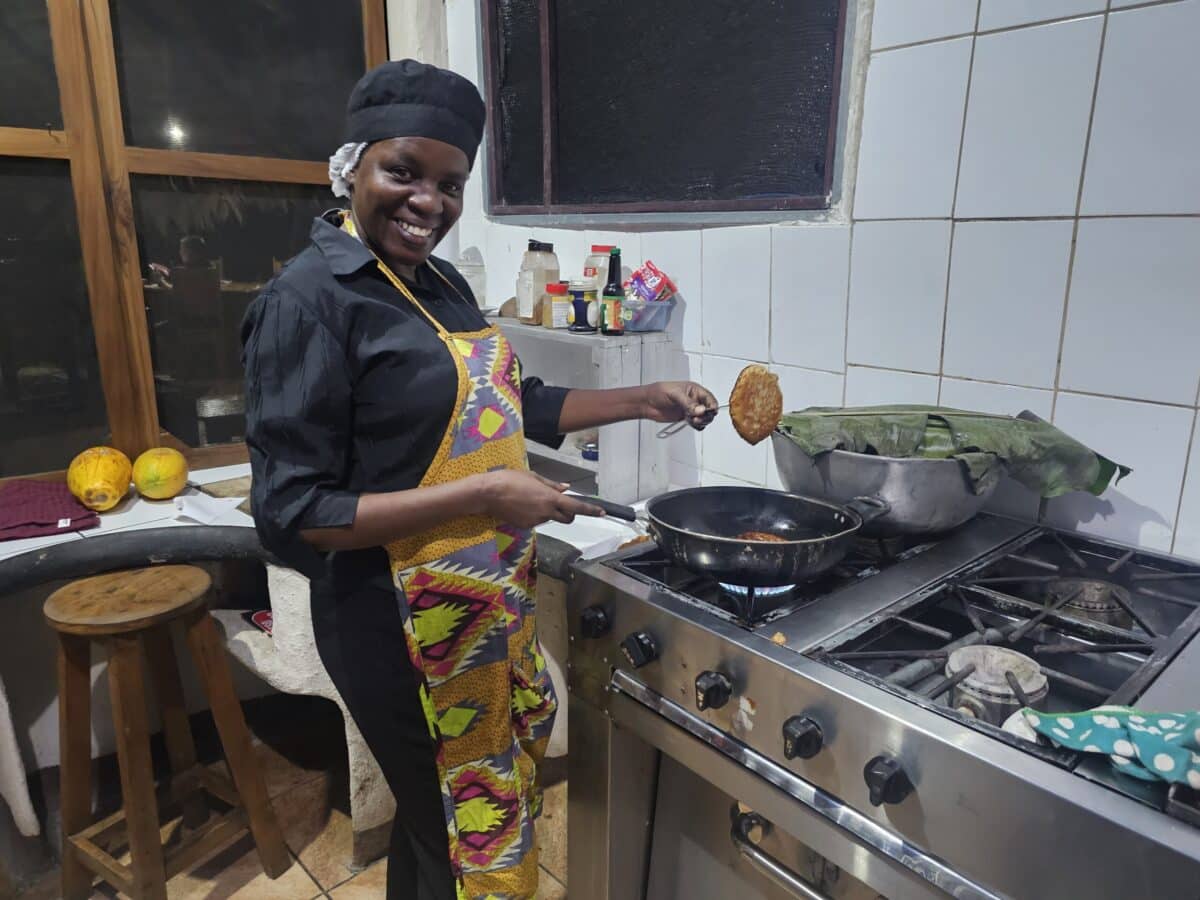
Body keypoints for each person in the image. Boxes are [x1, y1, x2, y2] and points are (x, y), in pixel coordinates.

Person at [241, 59, 717, 900]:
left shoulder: (436, 281)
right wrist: (488, 496)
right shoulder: (308, 301)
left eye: (450, 183)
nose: (428, 202)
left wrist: (645, 399)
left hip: (482, 596)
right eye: (404, 172)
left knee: (448, 821)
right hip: (389, 618)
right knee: (452, 825)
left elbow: (509, 402)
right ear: (352, 167)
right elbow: (293, 510)